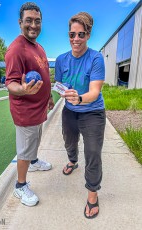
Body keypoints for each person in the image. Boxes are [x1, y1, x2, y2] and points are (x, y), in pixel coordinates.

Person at [55, 12, 106, 219]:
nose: (75, 39)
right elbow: (59, 85)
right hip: (70, 110)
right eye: (72, 34)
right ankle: (72, 160)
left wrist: (79, 98)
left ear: (88, 35)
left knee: (93, 152)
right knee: (69, 141)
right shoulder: (61, 60)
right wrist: (62, 93)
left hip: (92, 111)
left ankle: (92, 193)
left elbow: (94, 91)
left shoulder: (96, 58)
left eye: (81, 34)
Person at [5, 2, 54, 207]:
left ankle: (34, 163)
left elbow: (43, 74)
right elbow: (11, 83)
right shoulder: (16, 49)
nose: (33, 25)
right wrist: (24, 90)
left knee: (35, 140)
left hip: (39, 107)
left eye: (37, 21)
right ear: (20, 23)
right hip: (25, 110)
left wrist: (48, 96)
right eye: (29, 21)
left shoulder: (38, 46)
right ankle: (20, 186)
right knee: (24, 150)